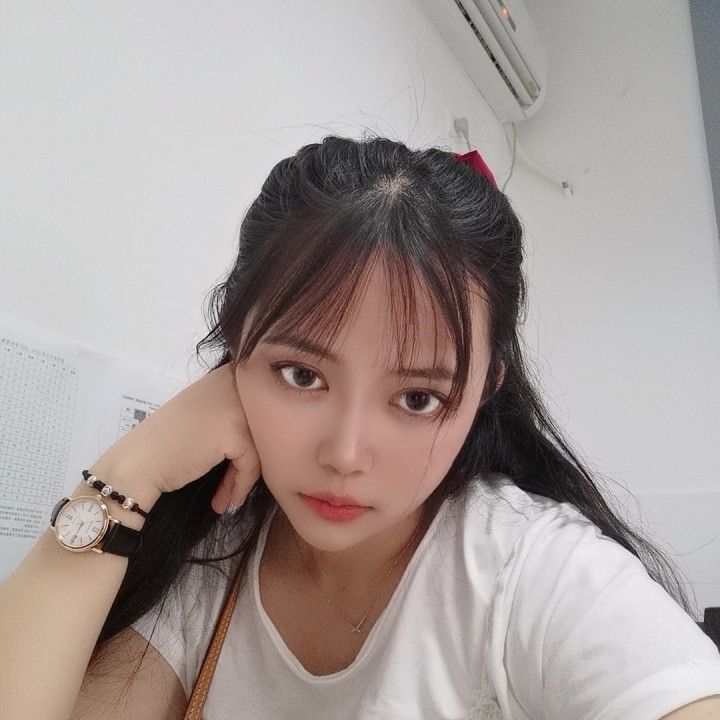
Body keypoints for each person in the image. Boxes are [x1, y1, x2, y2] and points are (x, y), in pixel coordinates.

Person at [1, 136, 719, 720]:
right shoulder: (213, 556)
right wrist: (129, 472)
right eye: (300, 375)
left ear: (485, 391)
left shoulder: (531, 572)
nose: (345, 455)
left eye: (418, 399)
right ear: (235, 352)